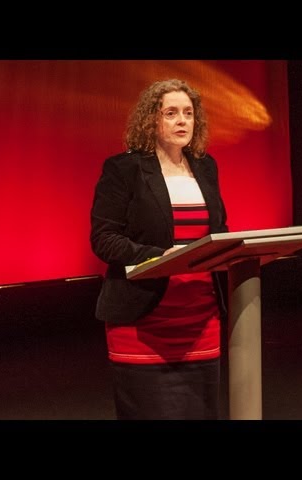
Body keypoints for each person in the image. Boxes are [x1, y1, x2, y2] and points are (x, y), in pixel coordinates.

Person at [90, 78, 229, 420]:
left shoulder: (205, 166)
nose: (183, 121)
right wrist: (157, 256)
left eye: (189, 113)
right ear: (151, 119)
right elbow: (104, 238)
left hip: (201, 322)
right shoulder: (124, 169)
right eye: (171, 113)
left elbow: (219, 229)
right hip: (143, 323)